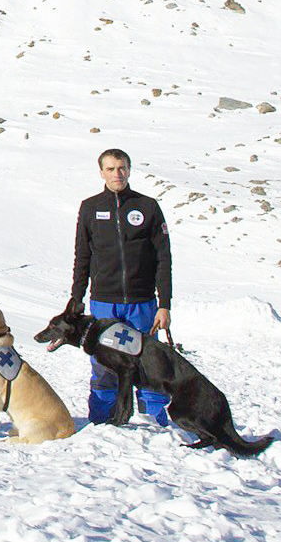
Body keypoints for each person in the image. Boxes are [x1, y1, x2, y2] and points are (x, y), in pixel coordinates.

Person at [70, 148, 173, 425]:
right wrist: (76, 297)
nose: (118, 174)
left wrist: (164, 304)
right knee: (104, 363)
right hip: (105, 302)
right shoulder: (90, 207)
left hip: (142, 302)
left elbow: (163, 257)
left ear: (129, 169)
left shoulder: (147, 206)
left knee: (149, 361)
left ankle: (153, 419)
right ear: (101, 172)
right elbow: (83, 256)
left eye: (122, 168)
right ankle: (102, 419)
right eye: (111, 169)